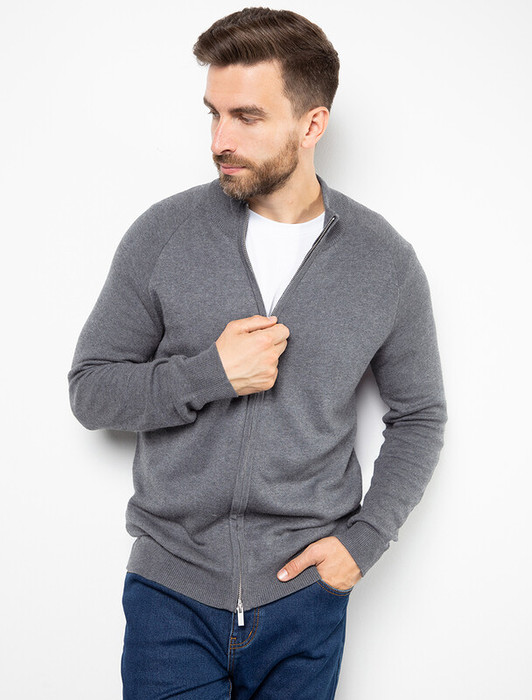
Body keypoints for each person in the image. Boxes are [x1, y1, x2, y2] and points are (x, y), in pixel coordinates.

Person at [68, 7, 447, 699]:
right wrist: (207, 375)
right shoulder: (164, 234)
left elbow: (419, 416)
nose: (221, 141)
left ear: (312, 124)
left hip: (304, 597)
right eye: (213, 114)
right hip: (170, 592)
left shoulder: (383, 261)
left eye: (247, 117)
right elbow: (91, 391)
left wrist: (364, 542)